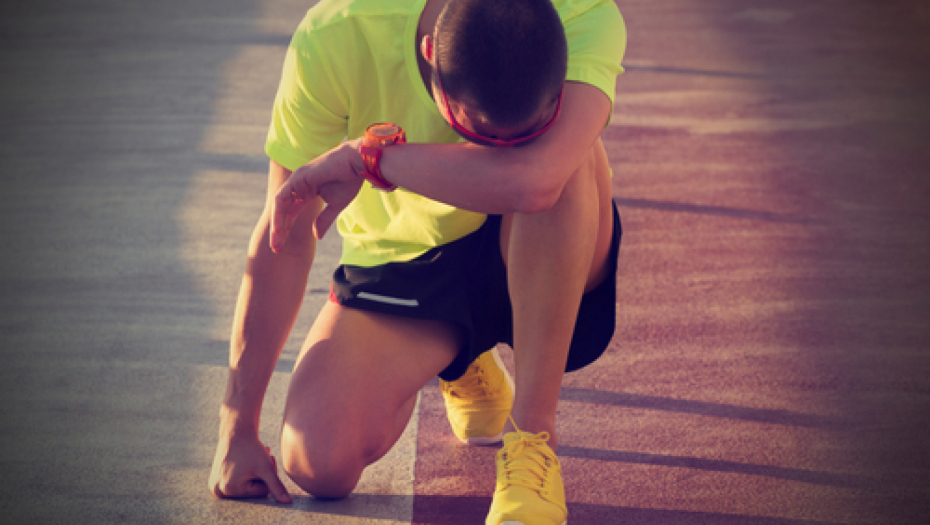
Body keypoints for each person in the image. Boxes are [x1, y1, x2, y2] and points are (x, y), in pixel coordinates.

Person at [208, 0, 625, 523]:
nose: (496, 148)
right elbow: (284, 232)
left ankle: (531, 443)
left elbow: (533, 181)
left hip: (549, 240)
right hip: (410, 258)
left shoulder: (583, 12)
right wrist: (237, 427)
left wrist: (369, 158)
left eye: (512, 138)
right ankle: (461, 356)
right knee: (318, 461)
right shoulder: (336, 36)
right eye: (475, 128)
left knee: (564, 164)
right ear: (430, 56)